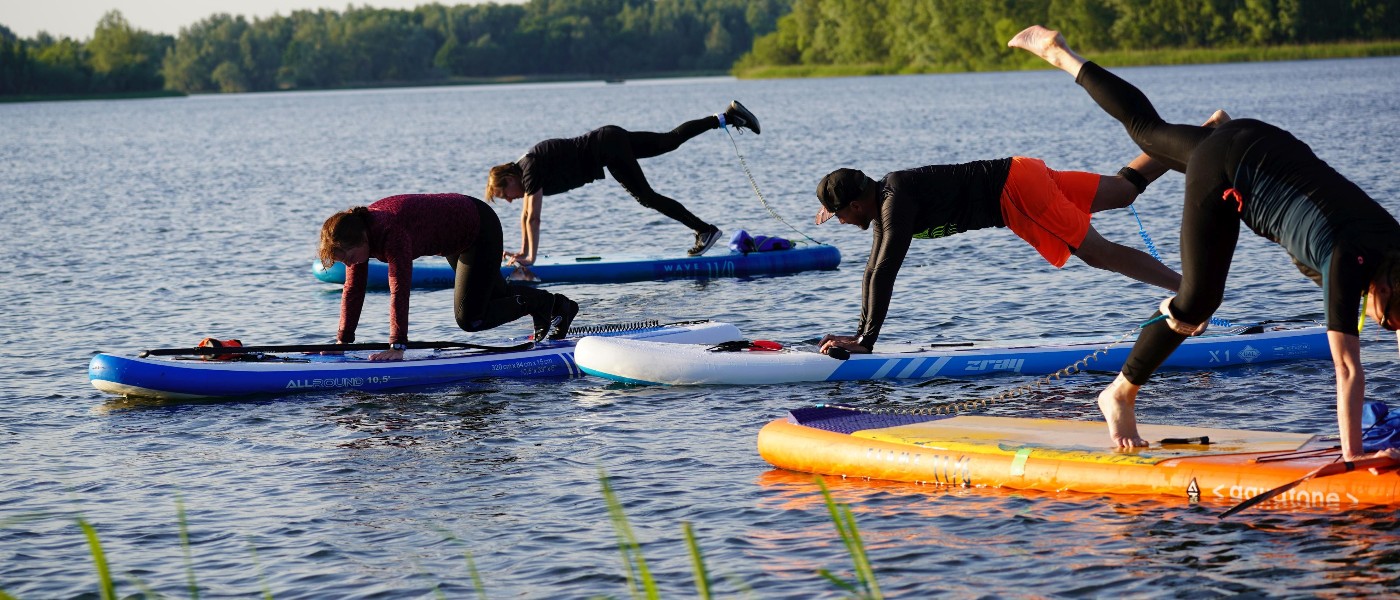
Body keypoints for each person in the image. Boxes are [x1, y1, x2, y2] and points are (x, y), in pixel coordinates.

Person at [1008, 25, 1400, 460]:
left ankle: (1061, 54)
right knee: (1197, 301)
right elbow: (1347, 370)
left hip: (1262, 139)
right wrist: (1353, 459)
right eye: (1390, 322)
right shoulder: (1349, 263)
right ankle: (1118, 393)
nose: (1389, 329)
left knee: (1147, 129)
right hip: (1226, 172)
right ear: (1382, 289)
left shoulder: (1393, 251)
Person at [814, 149, 1192, 357]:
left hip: (1017, 192)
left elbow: (884, 272)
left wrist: (865, 342)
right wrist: (860, 334)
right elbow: (872, 270)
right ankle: (1203, 138)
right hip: (1021, 171)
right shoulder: (885, 201)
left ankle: (1194, 294)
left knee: (1097, 253)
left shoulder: (896, 202)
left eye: (839, 215)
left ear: (856, 204)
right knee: (1123, 190)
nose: (842, 222)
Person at [484, 101, 761, 262]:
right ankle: (725, 116)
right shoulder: (526, 167)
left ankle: (706, 230)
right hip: (609, 140)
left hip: (608, 147)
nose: (509, 199)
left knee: (647, 196)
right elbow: (525, 216)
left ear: (509, 178)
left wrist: (530, 258)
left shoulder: (529, 169)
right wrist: (522, 251)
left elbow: (533, 218)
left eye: (504, 193)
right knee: (669, 141)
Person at [318, 193, 579, 361]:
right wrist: (342, 341)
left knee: (471, 318)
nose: (349, 264)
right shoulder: (359, 232)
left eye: (349, 257)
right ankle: (559, 306)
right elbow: (353, 289)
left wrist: (397, 347)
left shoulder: (390, 232)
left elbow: (399, 289)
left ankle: (543, 304)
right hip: (457, 239)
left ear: (361, 239)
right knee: (495, 297)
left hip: (479, 228)